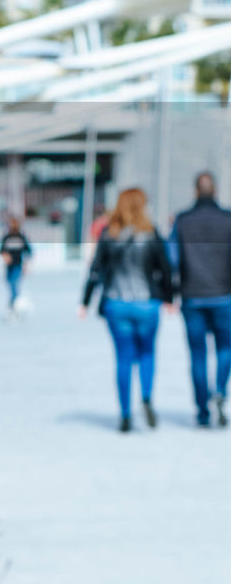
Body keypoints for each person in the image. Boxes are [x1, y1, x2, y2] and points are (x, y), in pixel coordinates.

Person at [79, 187, 173, 432]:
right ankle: (146, 397)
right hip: (147, 303)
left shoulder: (109, 234)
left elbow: (96, 269)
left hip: (116, 303)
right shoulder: (151, 234)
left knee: (123, 357)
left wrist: (85, 301)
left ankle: (125, 413)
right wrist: (170, 298)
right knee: (147, 353)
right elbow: (165, 269)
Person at [168, 171, 231, 428]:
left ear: (195, 191)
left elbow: (172, 258)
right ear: (214, 191)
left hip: (192, 296)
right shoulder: (228, 219)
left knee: (197, 355)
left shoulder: (182, 220)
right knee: (226, 349)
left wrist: (172, 291)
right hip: (225, 296)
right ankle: (220, 391)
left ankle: (202, 410)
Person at [0, 216, 33, 317]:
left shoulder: (21, 237)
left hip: (18, 264)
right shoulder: (7, 237)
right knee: (10, 283)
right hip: (9, 265)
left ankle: (15, 304)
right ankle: (13, 303)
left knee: (14, 284)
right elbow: (1, 250)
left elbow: (28, 251)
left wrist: (26, 264)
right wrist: (5, 256)